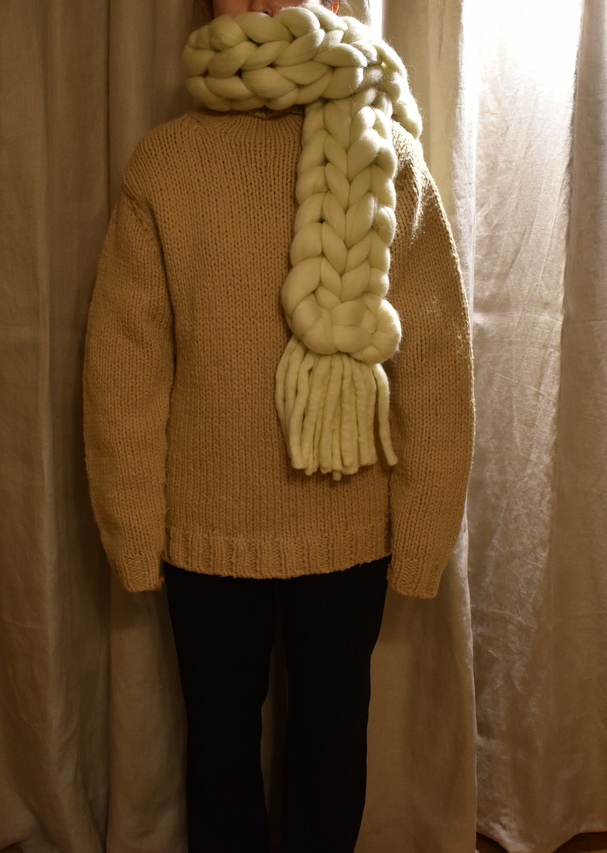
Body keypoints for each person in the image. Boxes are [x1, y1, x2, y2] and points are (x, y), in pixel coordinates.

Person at [83, 1, 474, 850]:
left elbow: (436, 361)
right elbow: (127, 362)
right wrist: (131, 528)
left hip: (350, 528)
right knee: (220, 753)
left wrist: (424, 534)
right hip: (205, 533)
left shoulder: (388, 158)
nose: (261, 0)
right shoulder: (166, 164)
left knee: (330, 752)